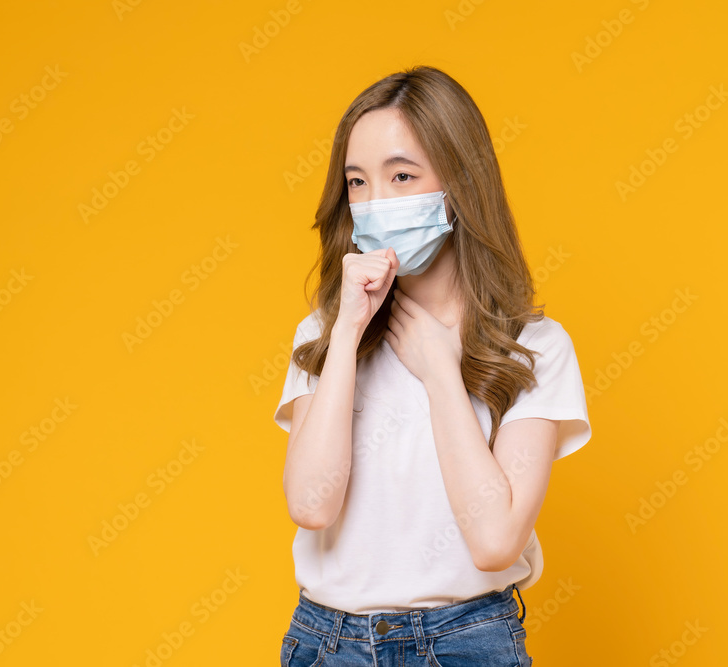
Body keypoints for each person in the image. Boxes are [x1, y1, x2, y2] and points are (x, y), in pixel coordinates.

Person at [273, 64, 592, 666]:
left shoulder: (536, 348)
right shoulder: (324, 336)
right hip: (328, 646)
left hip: (467, 644)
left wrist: (442, 371)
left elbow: (495, 541)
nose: (375, 201)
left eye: (402, 176)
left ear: (460, 185)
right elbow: (311, 504)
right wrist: (345, 335)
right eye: (358, 182)